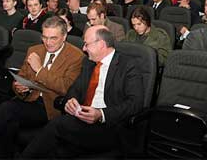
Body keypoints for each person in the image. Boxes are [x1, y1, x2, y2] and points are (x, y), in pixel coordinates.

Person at [0, 17, 84, 159]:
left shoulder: (76, 56)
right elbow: (21, 77)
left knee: (6, 109)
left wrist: (39, 70)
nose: (48, 42)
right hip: (29, 99)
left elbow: (65, 87)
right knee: (8, 122)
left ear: (64, 36)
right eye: (45, 37)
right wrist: (19, 87)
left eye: (53, 38)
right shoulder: (34, 50)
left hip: (50, 106)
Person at [21, 26, 144, 158]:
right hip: (82, 119)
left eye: (86, 44)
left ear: (101, 45)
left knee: (57, 125)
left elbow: (135, 103)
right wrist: (70, 101)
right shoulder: (88, 63)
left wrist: (101, 114)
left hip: (110, 125)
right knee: (56, 146)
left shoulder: (128, 65)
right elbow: (74, 90)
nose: (84, 49)